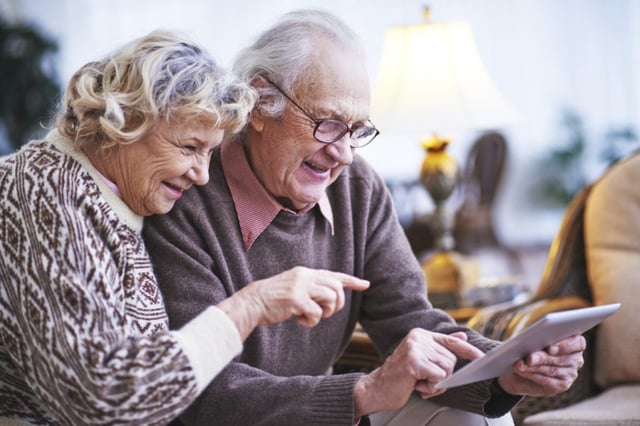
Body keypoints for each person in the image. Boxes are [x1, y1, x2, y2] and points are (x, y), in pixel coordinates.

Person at [143, 10, 586, 426]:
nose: (343, 153)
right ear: (261, 103)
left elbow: (410, 319)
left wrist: (507, 367)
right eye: (328, 123)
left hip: (322, 413)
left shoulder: (357, 187)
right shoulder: (185, 195)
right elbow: (201, 390)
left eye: (357, 131)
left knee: (477, 415)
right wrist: (363, 391)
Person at [0, 29, 369, 425]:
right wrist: (251, 305)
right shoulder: (44, 190)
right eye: (190, 147)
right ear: (125, 121)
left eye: (209, 152)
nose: (201, 175)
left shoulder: (113, 199)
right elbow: (100, 401)